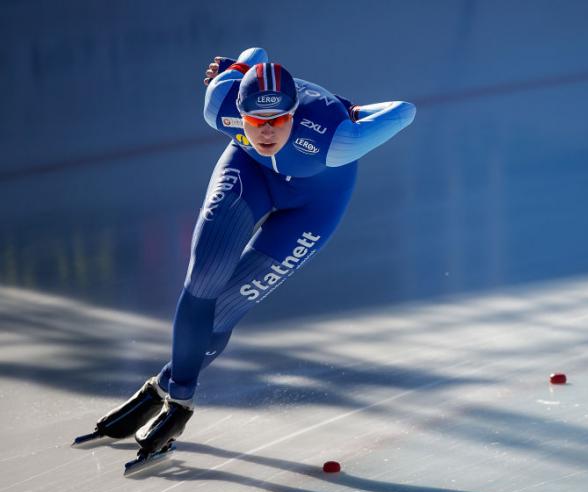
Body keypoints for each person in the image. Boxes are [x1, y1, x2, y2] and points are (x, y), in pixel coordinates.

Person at [79, 47, 416, 461]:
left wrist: (356, 111)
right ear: (240, 113)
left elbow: (404, 110)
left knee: (223, 311)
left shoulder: (339, 140)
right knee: (203, 280)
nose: (268, 132)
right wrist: (238, 67)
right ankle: (179, 398)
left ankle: (164, 388)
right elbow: (255, 53)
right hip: (250, 174)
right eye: (257, 122)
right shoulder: (219, 103)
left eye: (279, 121)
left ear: (293, 114)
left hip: (314, 206)